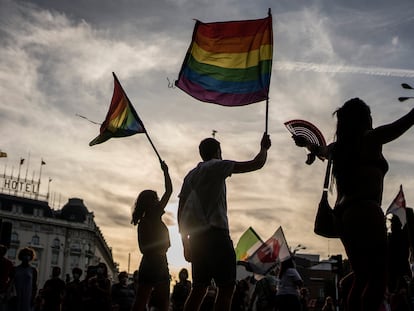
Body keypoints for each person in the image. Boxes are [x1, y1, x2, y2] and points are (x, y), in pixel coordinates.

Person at [294, 98, 414, 311]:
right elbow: (402, 125)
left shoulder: (337, 149)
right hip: (366, 212)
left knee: (361, 276)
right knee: (378, 276)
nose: (372, 119)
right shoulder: (371, 138)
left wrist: (307, 145)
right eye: (369, 116)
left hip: (344, 218)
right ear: (363, 119)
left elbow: (320, 150)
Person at [178, 133, 271, 311]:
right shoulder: (217, 166)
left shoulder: (189, 176)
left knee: (198, 289)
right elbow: (256, 164)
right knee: (226, 287)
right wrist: (264, 148)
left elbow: (181, 210)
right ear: (217, 152)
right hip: (217, 236)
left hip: (196, 239)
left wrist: (185, 243)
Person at [131, 160, 172, 311]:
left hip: (160, 262)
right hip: (151, 263)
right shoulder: (145, 223)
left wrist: (165, 172)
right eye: (154, 198)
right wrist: (162, 245)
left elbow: (168, 191)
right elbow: (143, 248)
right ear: (148, 203)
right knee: (142, 301)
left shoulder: (154, 219)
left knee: (162, 303)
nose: (158, 201)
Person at [12, 247, 38, 311]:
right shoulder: (15, 269)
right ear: (21, 256)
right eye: (25, 254)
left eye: (28, 255)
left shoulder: (33, 270)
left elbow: (34, 285)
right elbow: (11, 284)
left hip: (28, 296)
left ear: (31, 257)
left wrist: (33, 298)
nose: (26, 257)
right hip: (16, 296)